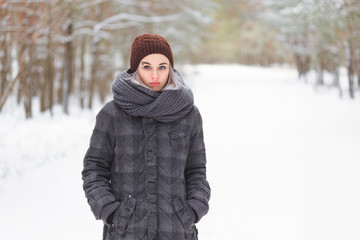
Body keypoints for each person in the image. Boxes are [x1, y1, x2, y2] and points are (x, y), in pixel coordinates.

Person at [82, 33, 211, 240]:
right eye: (146, 66)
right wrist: (110, 211)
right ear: (135, 69)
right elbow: (94, 170)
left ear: (170, 68)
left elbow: (196, 170)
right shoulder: (112, 113)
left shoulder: (189, 114)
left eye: (162, 66)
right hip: (125, 233)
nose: (155, 75)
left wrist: (194, 208)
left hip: (177, 231)